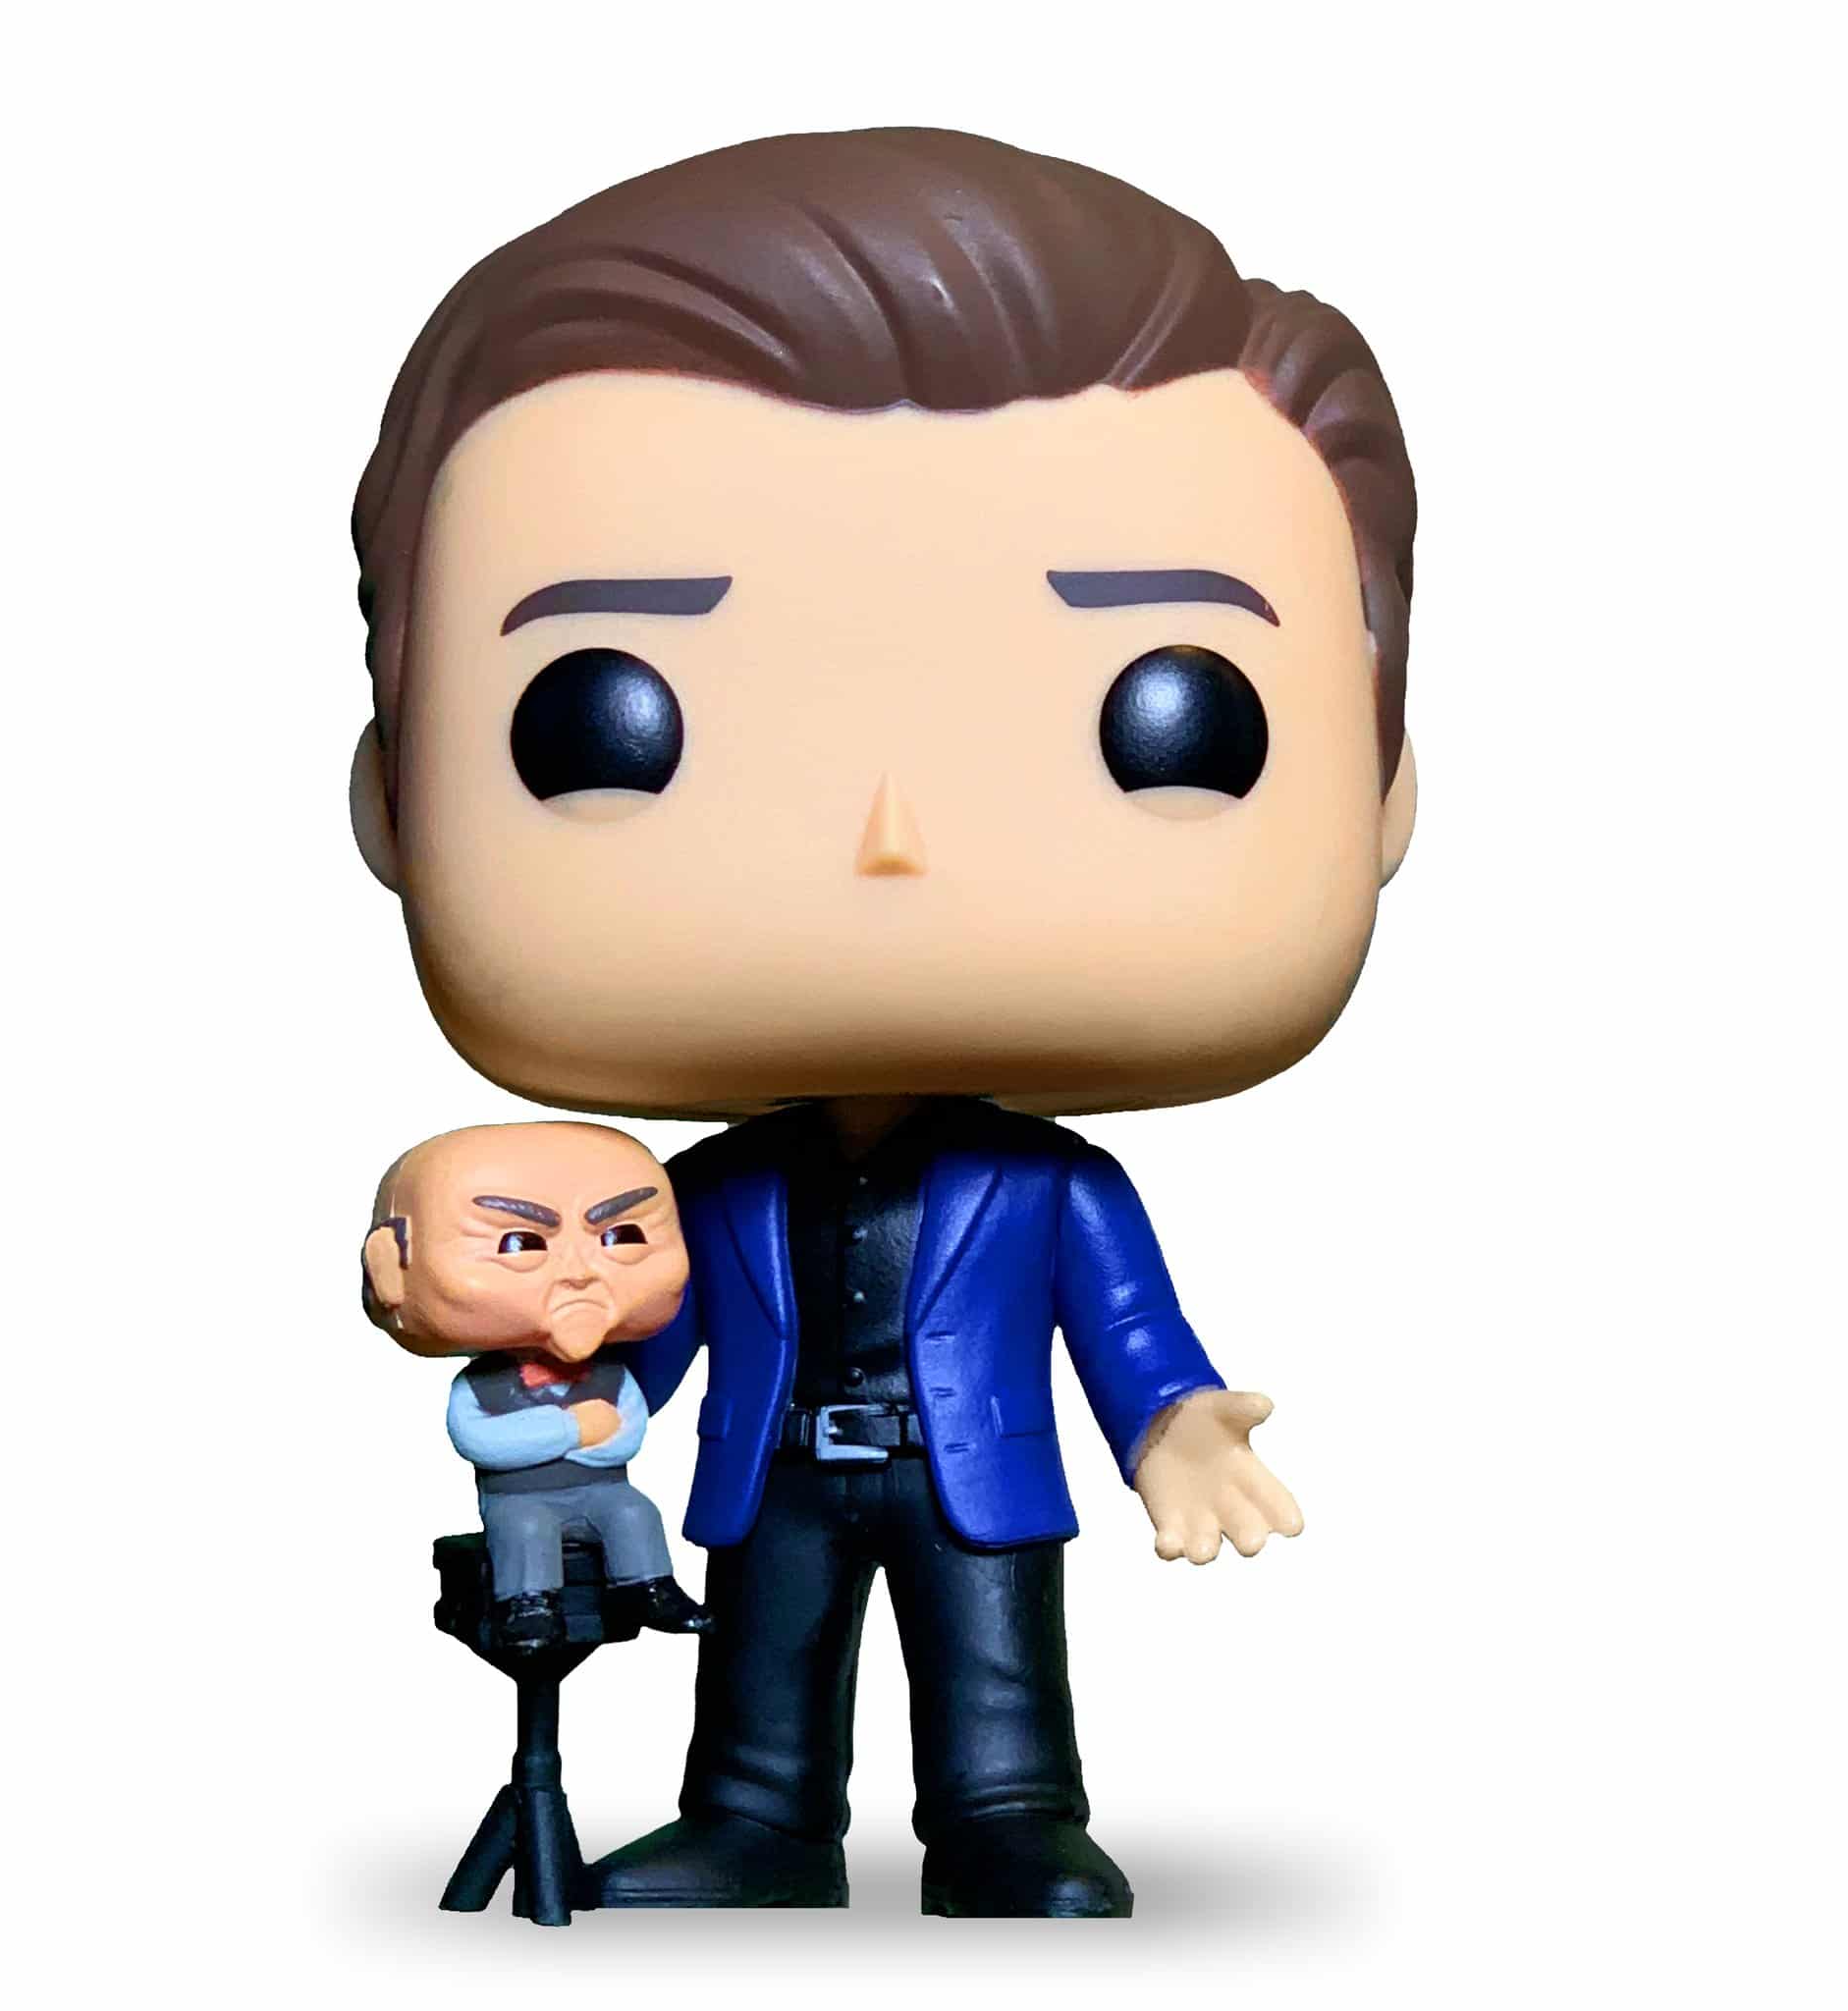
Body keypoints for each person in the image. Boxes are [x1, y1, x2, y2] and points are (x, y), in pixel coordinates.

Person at [347, 128, 1418, 1917]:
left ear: (1384, 791)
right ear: (395, 801)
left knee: (993, 1654)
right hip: (769, 1463)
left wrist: (1169, 1423)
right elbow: (649, 1323)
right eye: (601, 715)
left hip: (971, 1463)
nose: (889, 838)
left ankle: (1007, 1813)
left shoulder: (1048, 1187)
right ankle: (756, 1816)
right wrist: (581, 1388)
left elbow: (1124, 1323)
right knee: (760, 1651)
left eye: (1174, 711)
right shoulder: (704, 1191)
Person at [362, 1123, 710, 1649]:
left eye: (620, 1236)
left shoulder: (612, 1374)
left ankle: (649, 1587)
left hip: (602, 1489)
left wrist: (594, 1439)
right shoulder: (482, 1384)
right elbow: (480, 1441)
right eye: (521, 1243)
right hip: (519, 1499)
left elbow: (628, 1434)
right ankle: (528, 1604)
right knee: (525, 1528)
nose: (578, 1272)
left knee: (634, 1512)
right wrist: (570, 1430)